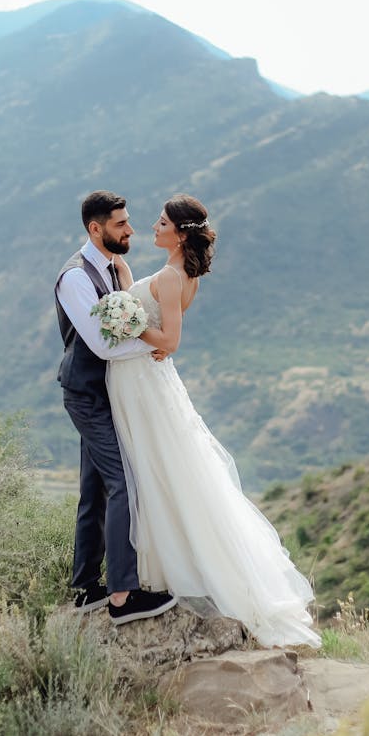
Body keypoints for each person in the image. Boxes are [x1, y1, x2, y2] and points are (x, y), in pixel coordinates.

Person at [107, 193, 321, 648]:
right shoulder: (181, 276)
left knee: (154, 467)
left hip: (143, 381)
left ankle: (171, 567)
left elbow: (170, 338)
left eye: (161, 222)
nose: (153, 226)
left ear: (180, 233)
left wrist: (128, 325)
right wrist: (127, 292)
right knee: (164, 467)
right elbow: (155, 314)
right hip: (148, 379)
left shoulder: (169, 276)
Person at [55, 190, 178, 625]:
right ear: (96, 228)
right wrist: (154, 351)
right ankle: (122, 597)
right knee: (123, 484)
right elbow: (102, 347)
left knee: (95, 490)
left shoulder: (111, 267)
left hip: (108, 394)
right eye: (121, 224)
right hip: (87, 396)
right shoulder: (74, 278)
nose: (130, 230)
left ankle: (87, 587)